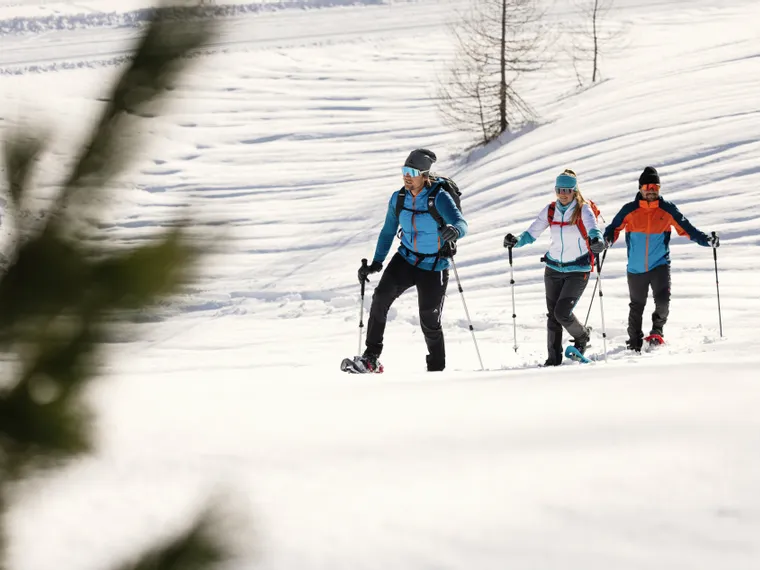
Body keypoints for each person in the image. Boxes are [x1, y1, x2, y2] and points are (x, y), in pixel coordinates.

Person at [351, 149, 468, 373]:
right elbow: (387, 232)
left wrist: (455, 231)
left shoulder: (439, 197)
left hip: (434, 266)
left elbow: (461, 223)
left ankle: (436, 369)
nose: (406, 176)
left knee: (429, 320)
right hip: (405, 259)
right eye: (404, 171)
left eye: (412, 172)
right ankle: (371, 357)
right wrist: (376, 263)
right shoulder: (399, 198)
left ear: (424, 175)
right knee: (380, 299)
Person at [603, 166, 718, 351]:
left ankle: (657, 331)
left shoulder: (667, 209)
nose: (651, 191)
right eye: (647, 187)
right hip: (636, 267)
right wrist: (606, 240)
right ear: (640, 188)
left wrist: (706, 240)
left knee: (663, 301)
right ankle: (634, 341)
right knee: (637, 306)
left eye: (655, 187)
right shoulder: (629, 210)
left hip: (660, 264)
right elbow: (613, 229)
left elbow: (687, 229)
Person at [503, 169, 606, 366]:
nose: (563, 194)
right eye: (559, 189)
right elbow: (532, 233)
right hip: (553, 269)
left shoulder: (583, 209)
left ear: (574, 191)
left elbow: (593, 229)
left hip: (577, 269)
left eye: (567, 190)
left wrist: (597, 241)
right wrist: (515, 241)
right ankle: (553, 360)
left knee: (562, 313)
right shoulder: (550, 210)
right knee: (553, 316)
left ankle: (582, 336)